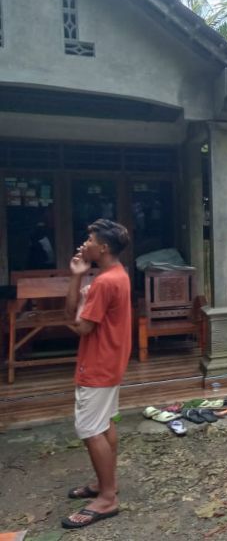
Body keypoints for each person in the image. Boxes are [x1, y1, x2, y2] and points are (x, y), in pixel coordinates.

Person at [61, 219, 131, 530]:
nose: (83, 244)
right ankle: (107, 484)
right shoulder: (117, 273)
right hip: (112, 361)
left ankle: (106, 498)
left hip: (97, 365)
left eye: (88, 240)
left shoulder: (104, 282)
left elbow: (78, 326)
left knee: (90, 430)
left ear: (102, 248)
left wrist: (76, 280)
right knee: (105, 424)